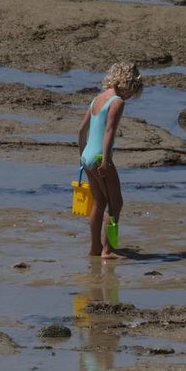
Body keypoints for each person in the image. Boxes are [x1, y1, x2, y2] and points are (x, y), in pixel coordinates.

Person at [78, 61, 143, 259]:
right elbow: (109, 132)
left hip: (87, 155)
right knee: (116, 204)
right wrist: (106, 161)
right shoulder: (116, 102)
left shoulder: (97, 99)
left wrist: (82, 157)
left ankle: (95, 248)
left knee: (99, 202)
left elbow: (82, 130)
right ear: (128, 83)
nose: (130, 96)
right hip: (100, 157)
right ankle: (108, 249)